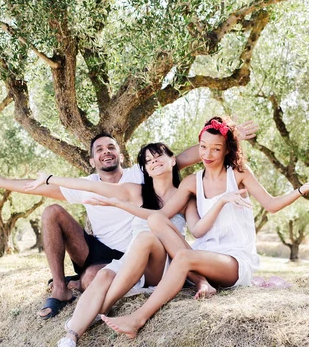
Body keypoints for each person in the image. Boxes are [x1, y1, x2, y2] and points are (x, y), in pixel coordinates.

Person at [85, 117, 309, 338]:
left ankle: (137, 319)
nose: (207, 154)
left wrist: (303, 189)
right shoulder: (193, 181)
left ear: (227, 150)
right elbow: (159, 216)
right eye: (203, 147)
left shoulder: (237, 174)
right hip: (202, 254)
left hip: (234, 259)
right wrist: (116, 203)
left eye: (215, 149)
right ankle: (200, 281)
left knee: (183, 258)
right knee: (156, 223)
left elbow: (271, 205)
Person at [0, 124, 257, 320]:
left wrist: (232, 137)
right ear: (93, 160)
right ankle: (60, 287)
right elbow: (43, 187)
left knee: (94, 279)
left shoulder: (140, 172)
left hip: (134, 253)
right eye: (99, 150)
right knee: (52, 211)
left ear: (119, 154)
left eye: (111, 147)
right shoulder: (87, 183)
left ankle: (80, 286)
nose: (106, 151)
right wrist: (0, 182)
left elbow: (185, 156)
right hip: (95, 248)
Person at [24, 143, 215, 347]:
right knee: (104, 274)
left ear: (173, 160)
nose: (154, 162)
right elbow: (90, 186)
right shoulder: (136, 192)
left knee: (146, 237)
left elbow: (197, 230)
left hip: (161, 266)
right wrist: (49, 179)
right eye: (148, 161)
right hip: (133, 260)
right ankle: (71, 336)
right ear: (146, 169)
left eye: (158, 156)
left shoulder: (185, 197)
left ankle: (100, 309)